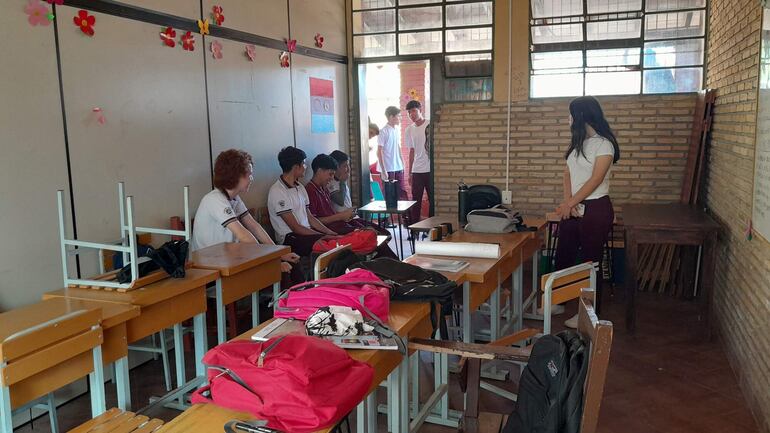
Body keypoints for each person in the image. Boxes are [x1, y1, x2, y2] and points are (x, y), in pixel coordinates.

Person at [191, 149, 302, 286]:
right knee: (283, 272)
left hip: (228, 258)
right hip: (210, 266)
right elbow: (242, 234)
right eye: (248, 174)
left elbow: (254, 226)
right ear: (234, 175)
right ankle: (283, 305)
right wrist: (272, 261)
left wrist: (278, 253)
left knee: (291, 264)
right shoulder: (215, 199)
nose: (251, 178)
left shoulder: (234, 198)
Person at [554, 96, 619, 328]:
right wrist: (569, 203)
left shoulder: (604, 144)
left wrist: (570, 204)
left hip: (596, 208)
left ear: (580, 116)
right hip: (575, 207)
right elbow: (567, 174)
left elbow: (596, 179)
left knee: (591, 261)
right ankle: (558, 300)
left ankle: (589, 312)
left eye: (570, 114)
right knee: (564, 253)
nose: (568, 119)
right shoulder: (578, 143)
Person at [306, 153, 397, 259]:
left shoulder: (323, 188)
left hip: (341, 224)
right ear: (320, 171)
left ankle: (391, 266)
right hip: (335, 229)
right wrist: (340, 217)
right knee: (370, 237)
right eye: (330, 174)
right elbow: (314, 221)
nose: (331, 178)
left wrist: (346, 215)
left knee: (379, 234)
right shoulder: (310, 191)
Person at [268, 146, 337, 258]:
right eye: (304, 164)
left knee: (336, 242)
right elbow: (295, 227)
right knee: (327, 247)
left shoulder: (300, 187)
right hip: (290, 238)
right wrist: (323, 236)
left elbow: (310, 218)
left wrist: (328, 232)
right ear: (296, 167)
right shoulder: (277, 191)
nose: (306, 167)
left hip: (306, 233)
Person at [404, 100, 430, 224]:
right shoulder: (409, 130)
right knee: (416, 201)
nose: (411, 114)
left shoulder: (430, 125)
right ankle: (414, 229)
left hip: (430, 170)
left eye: (413, 111)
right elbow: (411, 151)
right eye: (409, 112)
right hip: (417, 170)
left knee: (432, 200)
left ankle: (432, 228)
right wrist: (409, 173)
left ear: (420, 110)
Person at [377, 106, 408, 200]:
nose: (400, 118)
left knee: (401, 192)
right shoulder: (383, 131)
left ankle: (403, 214)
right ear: (391, 117)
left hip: (398, 166)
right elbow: (379, 151)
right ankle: (388, 215)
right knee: (389, 194)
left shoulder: (396, 130)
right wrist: (383, 170)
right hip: (388, 168)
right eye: (398, 116)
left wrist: (402, 162)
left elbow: (397, 146)